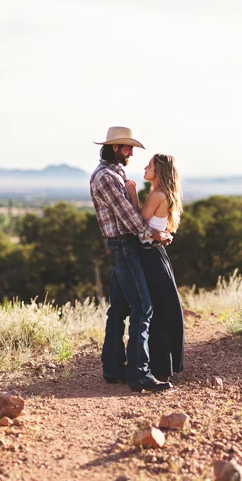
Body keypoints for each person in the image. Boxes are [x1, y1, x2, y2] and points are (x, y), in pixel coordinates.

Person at [90, 126, 174, 393]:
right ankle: (140, 375)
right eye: (128, 148)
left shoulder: (116, 173)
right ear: (115, 148)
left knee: (119, 310)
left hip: (122, 247)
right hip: (123, 246)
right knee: (143, 307)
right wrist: (156, 234)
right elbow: (129, 219)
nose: (131, 153)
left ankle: (113, 369)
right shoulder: (106, 177)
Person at [125, 153, 185, 381]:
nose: (145, 167)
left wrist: (132, 196)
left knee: (154, 311)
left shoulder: (157, 195)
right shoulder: (162, 194)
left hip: (150, 257)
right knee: (161, 308)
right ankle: (161, 365)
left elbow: (137, 223)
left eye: (149, 165)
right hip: (157, 255)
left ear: (159, 171)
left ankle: (158, 368)